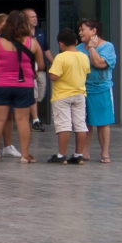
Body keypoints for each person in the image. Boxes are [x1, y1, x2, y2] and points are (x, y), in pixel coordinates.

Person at [0, 9, 42, 163]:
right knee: (22, 120)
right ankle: (24, 155)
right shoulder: (32, 42)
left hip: (2, 84)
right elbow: (41, 65)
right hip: (24, 86)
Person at [44, 27, 93, 164]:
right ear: (76, 41)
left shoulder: (61, 57)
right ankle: (78, 155)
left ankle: (61, 156)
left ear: (61, 44)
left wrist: (50, 72)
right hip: (79, 94)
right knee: (80, 125)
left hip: (62, 96)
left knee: (64, 125)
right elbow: (86, 72)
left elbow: (54, 76)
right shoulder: (84, 56)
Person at [79, 19, 118, 163]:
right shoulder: (78, 48)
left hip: (102, 88)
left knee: (103, 122)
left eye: (83, 29)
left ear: (94, 31)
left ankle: (105, 152)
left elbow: (99, 63)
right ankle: (84, 151)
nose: (80, 33)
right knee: (85, 122)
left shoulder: (108, 47)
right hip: (83, 89)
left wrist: (92, 48)